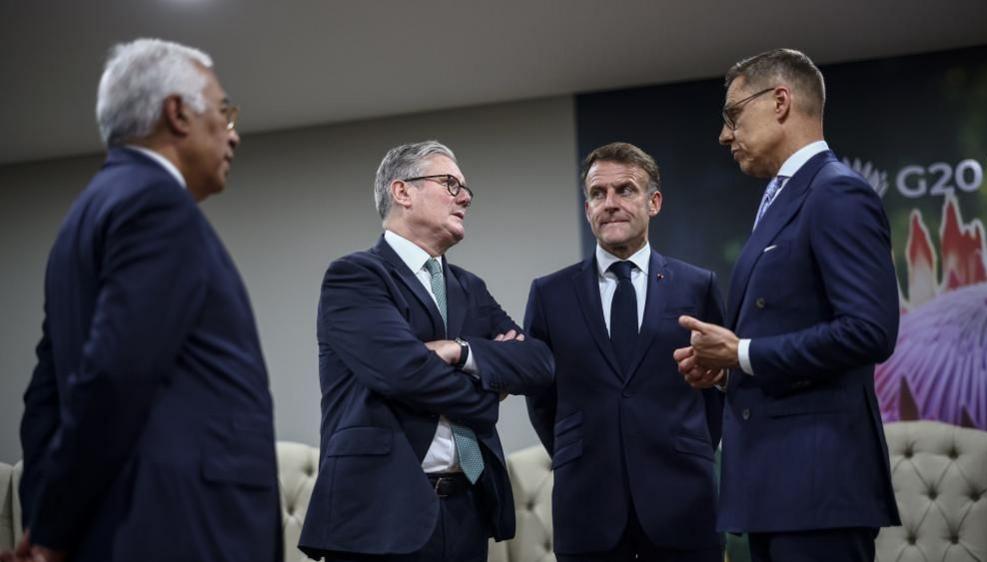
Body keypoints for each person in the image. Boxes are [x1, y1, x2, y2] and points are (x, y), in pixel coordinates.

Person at [4, 38, 281, 562]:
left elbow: (46, 398)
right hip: (182, 528)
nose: (233, 134)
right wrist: (55, 534)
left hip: (119, 526)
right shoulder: (157, 204)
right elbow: (114, 374)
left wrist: (45, 524)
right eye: (224, 112)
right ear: (177, 113)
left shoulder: (81, 220)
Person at [674, 48, 900, 562]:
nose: (724, 135)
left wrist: (744, 354)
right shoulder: (785, 195)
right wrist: (730, 370)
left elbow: (870, 330)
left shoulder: (837, 193)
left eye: (733, 115)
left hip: (818, 490)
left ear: (780, 101)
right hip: (775, 490)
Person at [297, 140, 555, 562]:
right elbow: (405, 373)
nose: (466, 197)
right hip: (380, 514)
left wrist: (461, 351)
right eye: (450, 183)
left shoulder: (468, 287)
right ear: (403, 192)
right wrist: (488, 393)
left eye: (465, 189)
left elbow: (539, 363)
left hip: (467, 510)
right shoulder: (356, 276)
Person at [526, 142, 725, 561]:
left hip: (683, 502)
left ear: (654, 202)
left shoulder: (697, 285)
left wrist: (690, 447)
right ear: (587, 209)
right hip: (587, 506)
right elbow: (542, 397)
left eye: (625, 190)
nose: (610, 203)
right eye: (598, 194)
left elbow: (717, 388)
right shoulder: (549, 294)